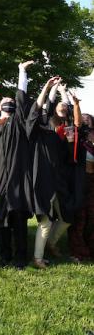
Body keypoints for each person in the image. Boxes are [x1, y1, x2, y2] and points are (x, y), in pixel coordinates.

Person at [0, 62, 33, 269]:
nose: (8, 101)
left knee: (19, 220)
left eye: (9, 100)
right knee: (1, 219)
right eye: (4, 100)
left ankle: (21, 257)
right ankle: (5, 256)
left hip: (16, 179)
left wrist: (22, 72)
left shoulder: (18, 123)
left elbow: (21, 100)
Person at [69, 109, 93, 261]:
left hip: (92, 183)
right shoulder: (77, 142)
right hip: (79, 182)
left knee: (92, 217)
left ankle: (90, 248)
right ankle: (78, 251)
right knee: (79, 218)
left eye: (90, 124)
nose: (88, 127)